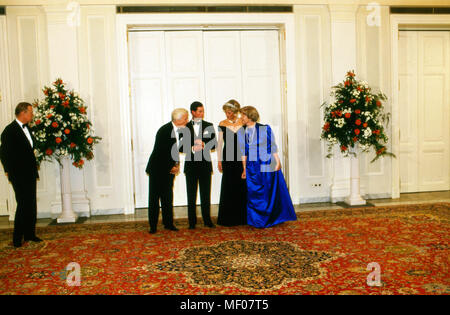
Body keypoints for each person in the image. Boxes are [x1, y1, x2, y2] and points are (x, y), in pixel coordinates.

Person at [239, 106, 297, 228]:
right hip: (252, 166)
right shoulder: (242, 132)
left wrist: (278, 161)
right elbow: (243, 152)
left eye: (243, 115)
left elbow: (272, 146)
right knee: (254, 193)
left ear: (250, 116)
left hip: (267, 163)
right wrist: (244, 168)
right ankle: (257, 220)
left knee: (268, 191)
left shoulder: (265, 128)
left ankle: (271, 218)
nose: (241, 118)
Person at [0, 102, 41, 248]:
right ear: (22, 113)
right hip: (18, 175)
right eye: (30, 112)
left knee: (31, 203)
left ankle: (30, 234)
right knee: (23, 204)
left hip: (29, 172)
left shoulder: (27, 128)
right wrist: (9, 171)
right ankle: (17, 238)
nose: (32, 114)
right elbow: (4, 154)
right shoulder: (9, 131)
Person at [146, 108, 189, 234]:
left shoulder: (180, 131)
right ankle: (153, 226)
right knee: (154, 198)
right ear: (179, 119)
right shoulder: (164, 130)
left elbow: (176, 151)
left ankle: (168, 223)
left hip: (169, 169)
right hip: (157, 169)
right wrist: (171, 166)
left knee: (167, 197)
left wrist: (176, 165)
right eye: (186, 118)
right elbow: (162, 153)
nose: (187, 121)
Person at [184, 101, 217, 229]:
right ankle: (192, 222)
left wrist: (205, 145)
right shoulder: (185, 127)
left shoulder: (209, 125)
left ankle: (207, 220)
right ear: (193, 112)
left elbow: (214, 145)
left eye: (203, 111)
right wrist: (192, 147)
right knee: (191, 195)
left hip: (205, 165)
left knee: (205, 194)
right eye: (199, 111)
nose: (202, 113)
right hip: (191, 166)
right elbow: (181, 146)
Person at [217, 100, 247, 226]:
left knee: (242, 186)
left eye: (229, 112)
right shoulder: (222, 123)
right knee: (228, 185)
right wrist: (219, 160)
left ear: (235, 112)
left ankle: (243, 218)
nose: (227, 115)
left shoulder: (243, 122)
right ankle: (227, 219)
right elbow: (219, 143)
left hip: (242, 158)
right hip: (228, 158)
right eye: (226, 112)